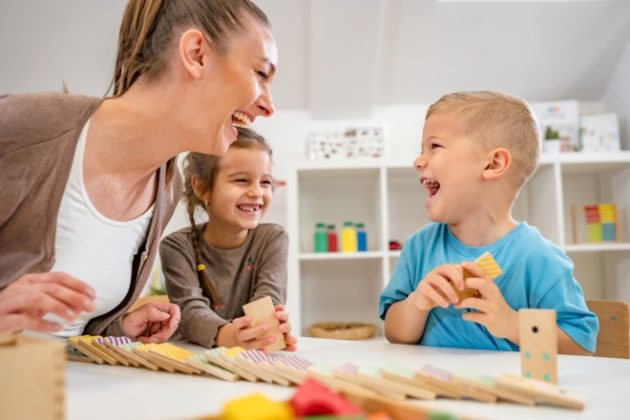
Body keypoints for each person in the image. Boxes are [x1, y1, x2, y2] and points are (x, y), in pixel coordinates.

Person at [0, 0, 277, 341]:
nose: (268, 105)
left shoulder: (166, 188)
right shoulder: (26, 128)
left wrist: (117, 329)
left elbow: (68, 330)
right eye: (261, 74)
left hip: (58, 389)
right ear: (196, 54)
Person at [379, 91, 598, 355]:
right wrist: (417, 303)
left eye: (434, 146)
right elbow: (394, 334)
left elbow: (581, 346)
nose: (418, 160)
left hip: (508, 393)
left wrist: (512, 324)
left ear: (493, 164)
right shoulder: (419, 248)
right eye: (421, 149)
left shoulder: (539, 259)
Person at [160, 127, 297, 351]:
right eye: (242, 180)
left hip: (251, 356)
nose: (257, 192)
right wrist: (233, 337)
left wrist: (264, 333)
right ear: (202, 188)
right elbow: (190, 311)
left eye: (265, 182)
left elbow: (268, 301)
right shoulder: (176, 247)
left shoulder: (272, 238)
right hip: (196, 358)